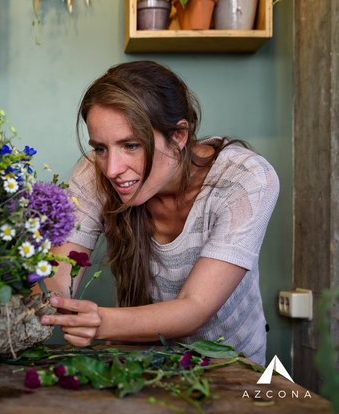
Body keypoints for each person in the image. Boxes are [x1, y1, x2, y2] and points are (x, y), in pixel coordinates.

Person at [39, 60, 279, 365]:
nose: (112, 169)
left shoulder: (246, 179)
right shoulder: (93, 174)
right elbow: (59, 279)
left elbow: (195, 306)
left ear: (178, 135)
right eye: (100, 148)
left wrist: (100, 322)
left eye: (130, 145)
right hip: (139, 362)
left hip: (228, 366)